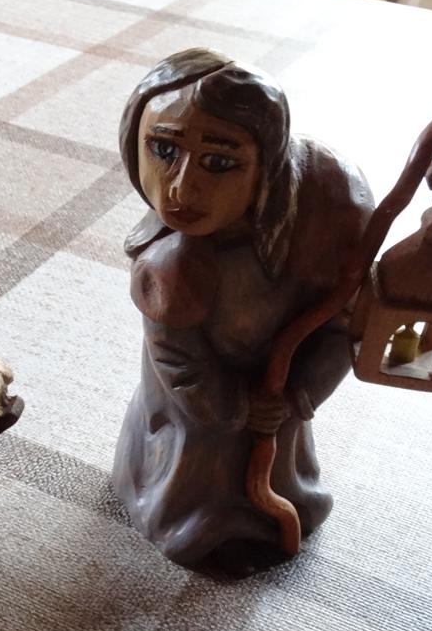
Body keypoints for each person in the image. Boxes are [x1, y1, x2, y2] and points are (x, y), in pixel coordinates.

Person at [113, 48, 375, 574]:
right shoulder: (169, 266)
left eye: (219, 163)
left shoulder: (329, 209)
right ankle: (191, 515)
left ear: (266, 167)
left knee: (274, 464)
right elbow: (179, 364)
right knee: (191, 465)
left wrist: (299, 393)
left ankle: (270, 505)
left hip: (280, 396)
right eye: (163, 149)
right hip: (199, 408)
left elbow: (346, 324)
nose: (182, 188)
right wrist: (236, 408)